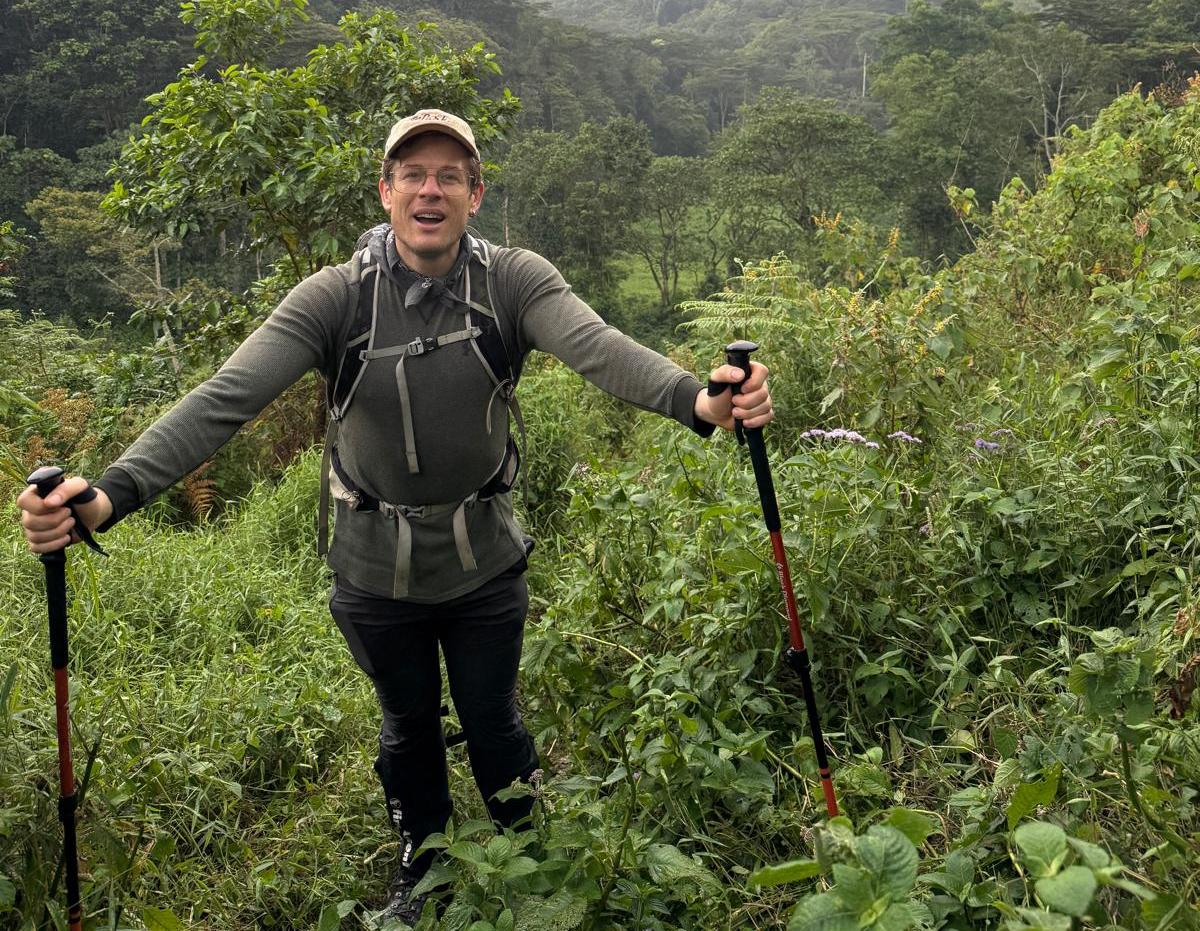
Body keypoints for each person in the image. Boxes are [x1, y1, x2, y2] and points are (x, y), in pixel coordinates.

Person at [17, 108, 773, 923]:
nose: (430, 189)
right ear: (385, 191)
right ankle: (425, 861)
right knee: (407, 722)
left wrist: (696, 401)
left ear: (475, 195)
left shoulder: (514, 281)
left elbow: (599, 347)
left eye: (451, 175)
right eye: (413, 173)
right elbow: (226, 399)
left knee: (492, 717)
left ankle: (530, 842)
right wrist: (113, 494)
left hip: (485, 562)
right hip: (374, 570)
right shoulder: (337, 298)